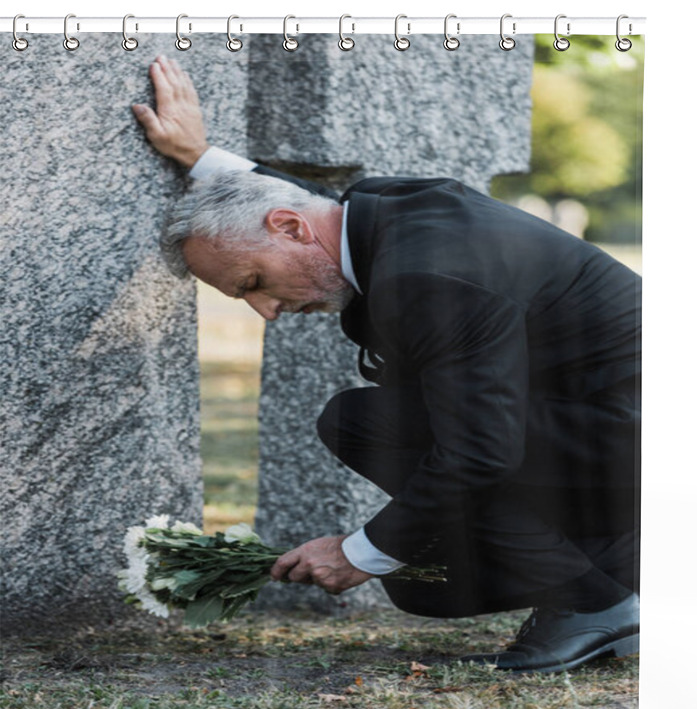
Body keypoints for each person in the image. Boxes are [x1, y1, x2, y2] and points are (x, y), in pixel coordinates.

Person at [132, 55, 641, 673]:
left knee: (361, 423)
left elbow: (480, 450)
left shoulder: (425, 278)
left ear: (288, 229)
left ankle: (594, 603)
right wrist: (203, 156)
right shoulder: (384, 207)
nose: (266, 310)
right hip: (601, 428)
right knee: (426, 583)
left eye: (253, 283)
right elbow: (300, 204)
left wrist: (358, 552)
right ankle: (621, 564)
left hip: (636, 436)